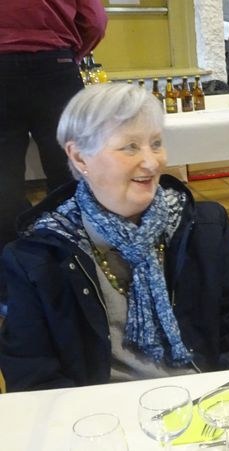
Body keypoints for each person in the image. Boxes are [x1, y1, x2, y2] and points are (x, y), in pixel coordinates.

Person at [0, 84, 229, 392]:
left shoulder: (203, 226)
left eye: (156, 144)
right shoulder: (39, 256)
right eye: (130, 147)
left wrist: (226, 398)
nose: (152, 162)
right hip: (100, 413)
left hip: (208, 401)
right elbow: (31, 372)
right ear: (79, 158)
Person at [0, 0, 107, 314]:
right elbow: (95, 19)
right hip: (55, 65)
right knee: (70, 176)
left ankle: (11, 287)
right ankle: (78, 276)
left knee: (3, 184)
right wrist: (70, 53)